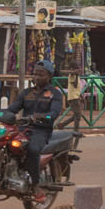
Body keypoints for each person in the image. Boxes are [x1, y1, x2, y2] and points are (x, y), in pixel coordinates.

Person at [12, 62, 66, 194]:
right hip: (22, 129)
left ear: (49, 76)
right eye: (35, 74)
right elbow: (13, 108)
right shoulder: (26, 93)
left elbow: (54, 113)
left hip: (41, 131)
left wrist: (40, 117)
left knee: (33, 149)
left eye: (40, 74)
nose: (36, 77)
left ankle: (35, 184)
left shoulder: (55, 94)